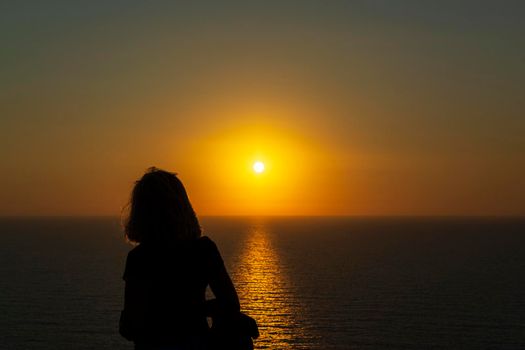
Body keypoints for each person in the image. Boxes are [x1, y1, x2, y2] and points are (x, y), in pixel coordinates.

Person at [119, 167, 241, 350]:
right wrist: (193, 310)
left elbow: (128, 327)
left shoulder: (139, 258)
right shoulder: (204, 249)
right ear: (182, 206)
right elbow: (230, 303)